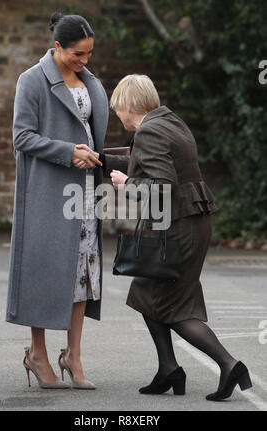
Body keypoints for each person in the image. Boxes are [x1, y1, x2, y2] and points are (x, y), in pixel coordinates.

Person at [77, 74, 252, 401]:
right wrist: (100, 161)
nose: (118, 115)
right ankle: (168, 368)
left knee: (174, 307)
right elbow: (143, 161)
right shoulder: (170, 122)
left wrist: (124, 184)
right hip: (191, 222)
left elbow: (160, 185)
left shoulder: (149, 130)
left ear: (130, 105)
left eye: (118, 110)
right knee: (147, 293)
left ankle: (229, 365)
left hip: (178, 227)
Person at [6, 12, 109, 389]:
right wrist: (70, 151)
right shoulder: (31, 81)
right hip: (48, 193)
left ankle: (74, 357)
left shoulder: (89, 80)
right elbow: (22, 137)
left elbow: (92, 132)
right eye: (78, 54)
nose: (85, 60)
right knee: (44, 271)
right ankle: (38, 353)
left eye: (89, 53)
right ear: (57, 47)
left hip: (84, 193)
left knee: (84, 274)